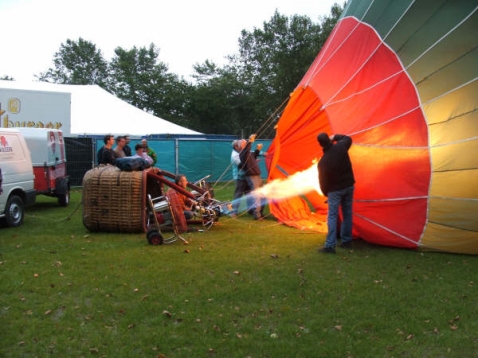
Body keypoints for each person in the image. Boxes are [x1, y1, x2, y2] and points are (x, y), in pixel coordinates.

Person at [317, 133, 355, 254]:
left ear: (320, 145)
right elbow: (348, 138)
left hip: (334, 190)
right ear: (329, 139)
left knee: (332, 216)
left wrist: (326, 194)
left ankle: (330, 246)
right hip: (349, 186)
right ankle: (346, 240)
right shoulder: (340, 146)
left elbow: (323, 182)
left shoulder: (323, 161)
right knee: (347, 213)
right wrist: (335, 137)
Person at [239, 134, 266, 220]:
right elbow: (247, 150)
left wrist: (258, 149)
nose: (246, 143)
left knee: (263, 195)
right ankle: (257, 215)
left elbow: (254, 155)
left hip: (257, 175)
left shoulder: (248, 153)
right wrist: (250, 141)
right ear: (242, 145)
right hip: (252, 176)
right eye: (245, 143)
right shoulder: (242, 154)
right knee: (256, 195)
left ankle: (260, 213)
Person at [230, 139, 253, 216]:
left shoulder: (240, 152)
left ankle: (250, 210)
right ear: (236, 146)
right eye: (239, 145)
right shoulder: (234, 155)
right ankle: (234, 212)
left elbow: (249, 155)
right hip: (239, 178)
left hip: (245, 176)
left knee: (249, 194)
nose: (241, 146)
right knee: (238, 195)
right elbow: (241, 165)